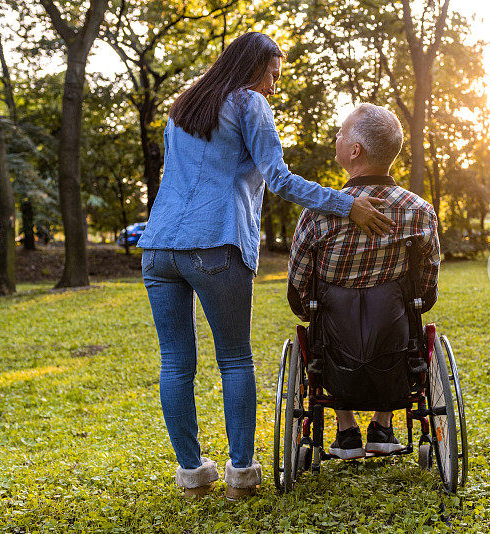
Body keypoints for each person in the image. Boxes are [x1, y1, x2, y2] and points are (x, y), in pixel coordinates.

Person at [137, 33, 394, 500]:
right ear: (253, 68)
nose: (274, 87)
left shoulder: (184, 103)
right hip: (214, 243)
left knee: (175, 364)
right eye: (273, 75)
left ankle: (192, 477)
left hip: (158, 248)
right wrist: (345, 204)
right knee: (234, 358)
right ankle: (239, 476)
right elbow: (278, 179)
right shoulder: (248, 103)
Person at [288, 103, 441, 460]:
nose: (336, 138)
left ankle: (346, 431)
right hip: (395, 345)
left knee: (321, 317)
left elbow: (299, 290)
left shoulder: (318, 212)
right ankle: (383, 426)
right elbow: (427, 286)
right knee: (401, 310)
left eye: (341, 133)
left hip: (334, 353)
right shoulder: (418, 211)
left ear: (354, 151)